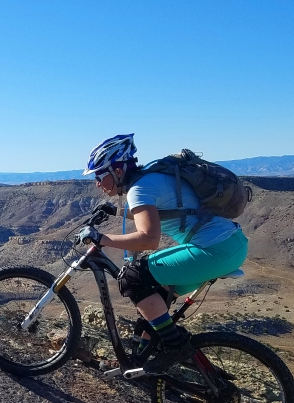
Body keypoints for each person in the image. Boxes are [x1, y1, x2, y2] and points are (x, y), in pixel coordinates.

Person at [76, 133, 249, 374]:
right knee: (154, 298)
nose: (97, 182)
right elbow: (157, 212)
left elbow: (149, 239)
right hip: (231, 244)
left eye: (99, 175)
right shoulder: (150, 178)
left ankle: (175, 347)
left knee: (133, 279)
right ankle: (143, 363)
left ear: (117, 170)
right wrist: (115, 212)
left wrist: (101, 238)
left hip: (214, 249)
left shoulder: (139, 189)